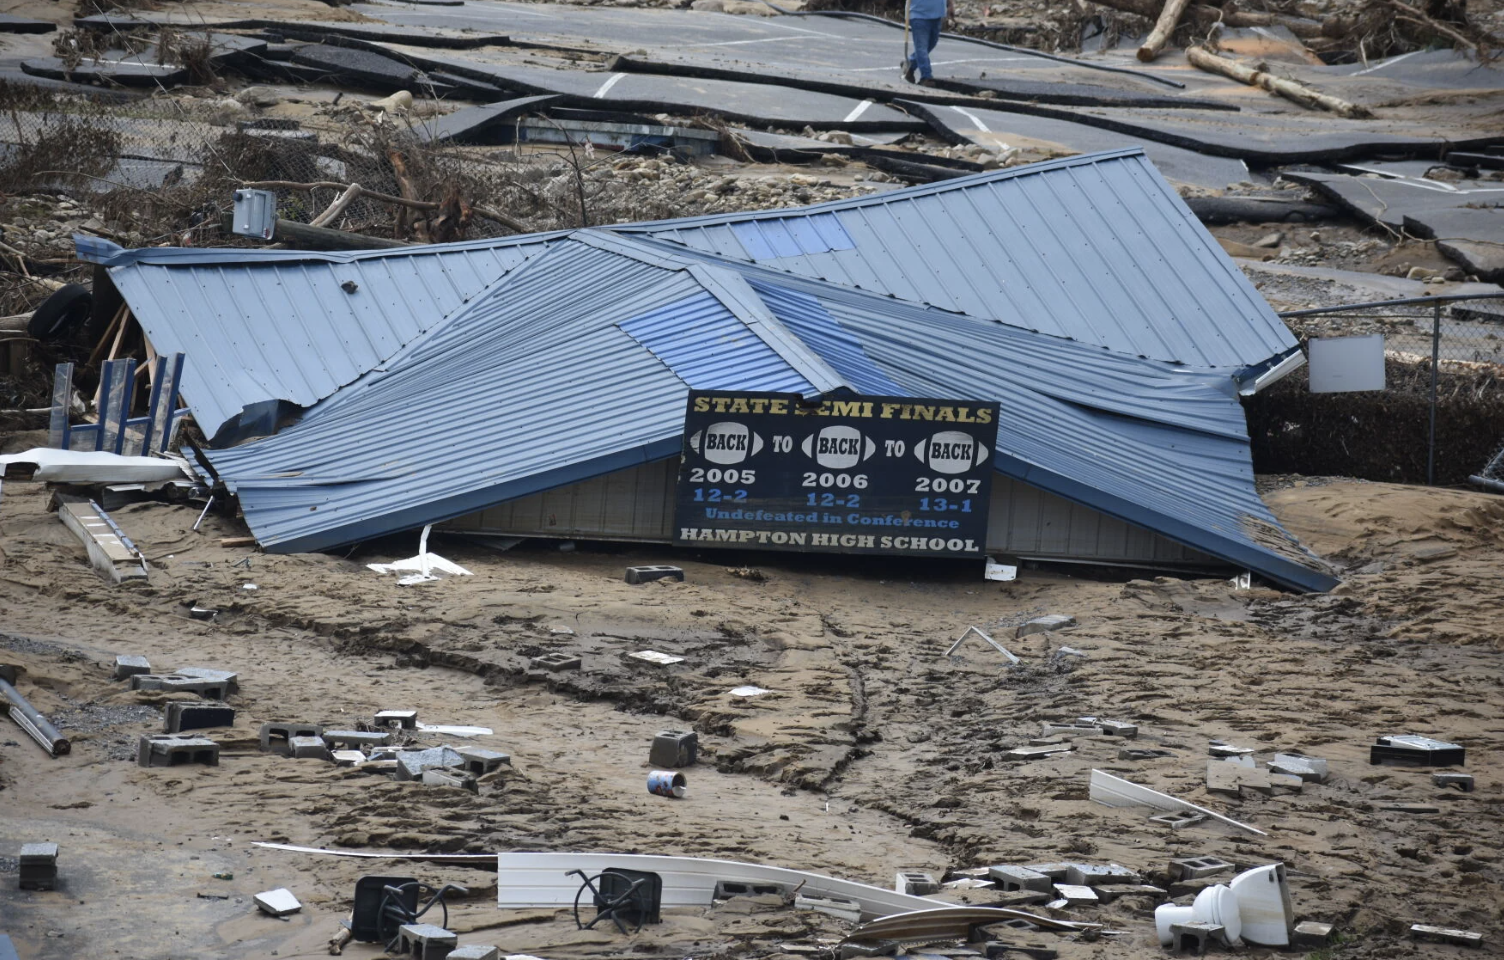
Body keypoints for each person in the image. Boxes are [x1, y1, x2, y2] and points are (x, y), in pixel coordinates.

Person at [904, 0, 954, 85]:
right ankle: (926, 76)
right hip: (919, 15)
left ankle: (910, 64)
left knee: (931, 43)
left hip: (937, 15)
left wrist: (950, 5)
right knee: (922, 47)